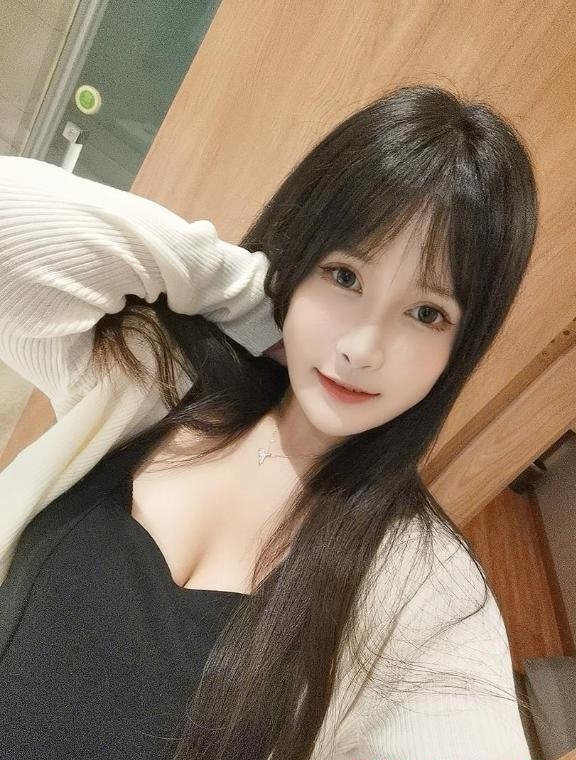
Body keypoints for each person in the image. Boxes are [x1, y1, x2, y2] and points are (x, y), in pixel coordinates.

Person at [0, 84, 538, 760]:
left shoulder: (426, 590)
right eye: (344, 276)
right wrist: (245, 296)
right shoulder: (156, 377)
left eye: (426, 313)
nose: (362, 348)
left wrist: (318, 295)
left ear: (461, 347)